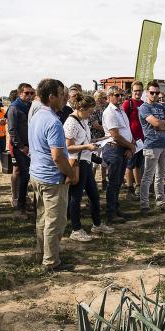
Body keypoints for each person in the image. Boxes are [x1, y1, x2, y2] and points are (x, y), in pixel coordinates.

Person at [29, 78, 79, 272]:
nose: (65, 98)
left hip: (39, 175)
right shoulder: (53, 122)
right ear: (51, 97)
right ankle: (51, 261)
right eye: (61, 94)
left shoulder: (37, 116)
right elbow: (58, 156)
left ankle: (41, 253)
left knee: (43, 218)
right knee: (55, 221)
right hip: (51, 178)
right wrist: (71, 174)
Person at [64, 93, 110, 241]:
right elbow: (68, 147)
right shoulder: (71, 122)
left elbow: (85, 140)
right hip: (77, 163)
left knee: (94, 196)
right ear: (81, 108)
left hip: (86, 161)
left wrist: (100, 140)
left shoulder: (82, 120)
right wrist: (87, 146)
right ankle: (76, 229)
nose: (90, 115)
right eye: (89, 111)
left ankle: (97, 224)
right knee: (75, 197)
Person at [138, 81, 165, 213]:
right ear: (147, 93)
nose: (154, 95)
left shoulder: (161, 107)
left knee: (161, 175)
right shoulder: (144, 108)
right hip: (152, 145)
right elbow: (155, 122)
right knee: (148, 176)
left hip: (163, 144)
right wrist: (163, 124)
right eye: (152, 92)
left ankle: (161, 201)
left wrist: (162, 124)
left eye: (157, 93)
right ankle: (144, 205)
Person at [101, 86, 135, 224]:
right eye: (117, 95)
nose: (120, 97)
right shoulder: (109, 112)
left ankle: (115, 208)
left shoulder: (120, 110)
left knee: (118, 182)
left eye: (122, 95)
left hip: (122, 149)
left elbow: (127, 130)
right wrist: (131, 146)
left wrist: (130, 146)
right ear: (109, 96)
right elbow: (115, 135)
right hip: (114, 149)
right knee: (113, 182)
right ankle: (111, 213)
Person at [7, 83, 34, 218]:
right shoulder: (14, 108)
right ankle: (20, 208)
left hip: (30, 147)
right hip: (20, 148)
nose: (29, 95)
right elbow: (12, 130)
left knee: (28, 176)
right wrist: (22, 147)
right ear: (19, 94)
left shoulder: (30, 106)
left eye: (31, 93)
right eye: (26, 93)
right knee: (24, 176)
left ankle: (25, 205)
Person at [122, 81, 145, 198]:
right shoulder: (127, 103)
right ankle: (129, 189)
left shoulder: (143, 103)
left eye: (140, 90)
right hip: (131, 140)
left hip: (141, 140)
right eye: (135, 90)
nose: (138, 92)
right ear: (132, 91)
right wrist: (130, 139)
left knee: (139, 165)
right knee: (129, 165)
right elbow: (124, 123)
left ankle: (138, 186)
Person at [89, 90, 108, 189]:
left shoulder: (106, 108)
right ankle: (91, 183)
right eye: (102, 97)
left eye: (105, 97)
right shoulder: (93, 110)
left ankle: (104, 181)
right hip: (96, 139)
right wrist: (109, 129)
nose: (105, 99)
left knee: (104, 161)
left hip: (105, 138)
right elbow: (95, 125)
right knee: (95, 162)